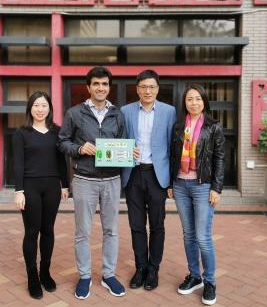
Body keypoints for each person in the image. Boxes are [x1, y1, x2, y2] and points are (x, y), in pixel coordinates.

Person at [59, 66, 127, 300]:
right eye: (96, 84)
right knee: (82, 233)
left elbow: (124, 143)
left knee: (111, 231)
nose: (101, 88)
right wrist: (79, 148)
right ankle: (85, 276)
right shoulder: (74, 113)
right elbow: (62, 142)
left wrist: (130, 152)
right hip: (84, 180)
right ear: (88, 87)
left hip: (111, 180)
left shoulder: (117, 114)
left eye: (105, 84)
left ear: (109, 87)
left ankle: (108, 275)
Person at [169, 84, 224, 306]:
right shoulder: (178, 126)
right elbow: (172, 156)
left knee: (203, 236)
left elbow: (220, 159)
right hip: (181, 185)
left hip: (203, 186)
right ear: (184, 102)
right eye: (190, 99)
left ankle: (210, 281)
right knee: (188, 234)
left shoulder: (214, 127)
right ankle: (194, 276)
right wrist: (170, 183)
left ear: (204, 101)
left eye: (198, 99)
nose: (194, 103)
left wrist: (216, 188)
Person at [121, 70, 176, 291]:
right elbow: (118, 141)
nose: (147, 91)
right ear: (137, 89)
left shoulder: (169, 112)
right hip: (133, 173)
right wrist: (126, 152)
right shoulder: (125, 111)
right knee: (136, 225)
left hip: (157, 175)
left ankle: (154, 268)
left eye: (152, 86)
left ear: (157, 88)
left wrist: (171, 181)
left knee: (157, 226)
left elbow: (173, 147)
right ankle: (140, 267)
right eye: (143, 87)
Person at [13, 91, 69, 300]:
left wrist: (64, 185)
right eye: (36, 105)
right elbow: (17, 163)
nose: (40, 109)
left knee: (48, 230)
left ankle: (45, 272)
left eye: (44, 105)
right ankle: (32, 277)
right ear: (30, 108)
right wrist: (19, 191)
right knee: (32, 231)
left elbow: (62, 161)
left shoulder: (57, 131)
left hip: (52, 187)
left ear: (49, 108)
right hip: (30, 187)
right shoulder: (22, 133)